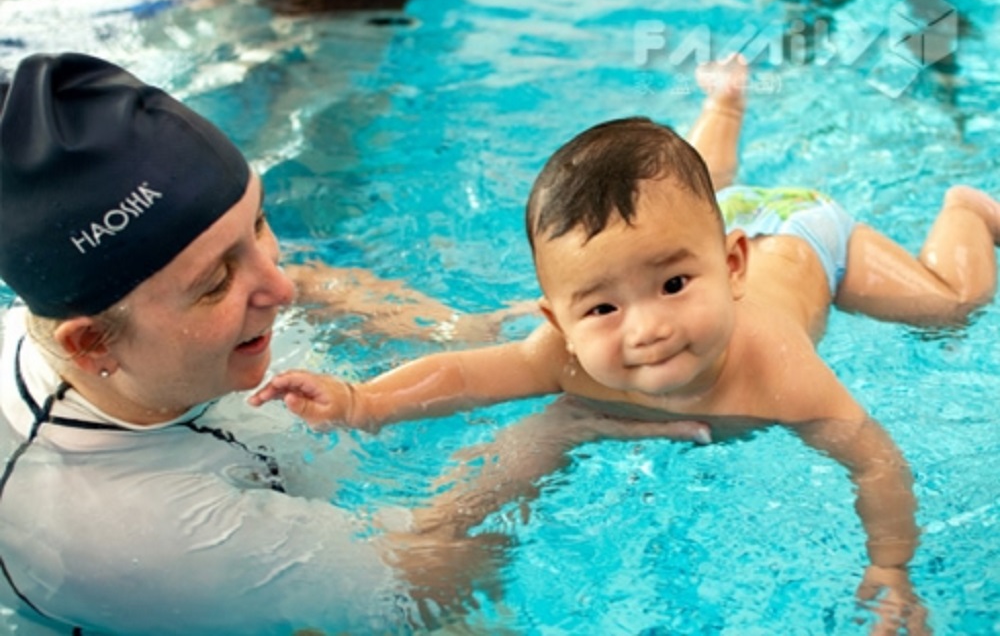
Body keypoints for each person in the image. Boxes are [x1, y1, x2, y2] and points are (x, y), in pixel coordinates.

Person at [252, 56, 1000, 634]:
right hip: (705, 221)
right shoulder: (567, 354)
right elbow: (464, 375)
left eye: (675, 288)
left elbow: (874, 458)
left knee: (950, 305)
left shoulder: (780, 370)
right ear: (557, 319)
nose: (646, 328)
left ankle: (968, 212)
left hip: (804, 238)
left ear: (730, 268)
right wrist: (362, 400)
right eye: (603, 306)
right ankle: (722, 106)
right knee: (685, 191)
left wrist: (891, 567)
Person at [0, 52, 710, 635]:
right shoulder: (148, 538)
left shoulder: (144, 337)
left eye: (259, 225)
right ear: (93, 342)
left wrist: (449, 328)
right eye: (217, 282)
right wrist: (559, 430)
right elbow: (432, 582)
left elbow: (304, 281)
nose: (276, 284)